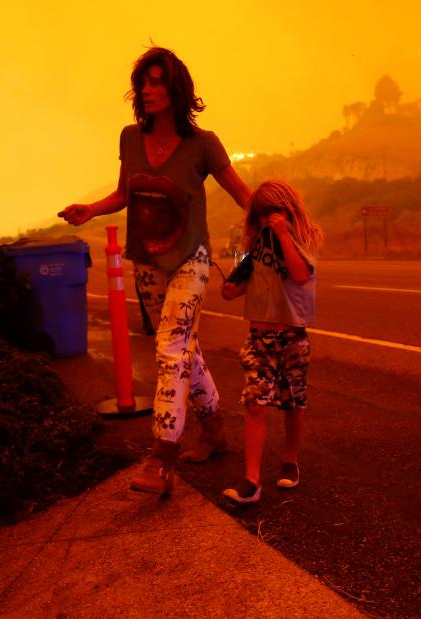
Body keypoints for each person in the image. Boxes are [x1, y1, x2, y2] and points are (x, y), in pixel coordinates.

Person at [58, 46, 250, 497]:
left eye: (157, 82)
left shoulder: (204, 144)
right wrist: (92, 209)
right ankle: (215, 431)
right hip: (146, 262)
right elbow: (125, 192)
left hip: (191, 259)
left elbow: (246, 198)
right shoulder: (129, 138)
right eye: (143, 82)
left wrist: (259, 245)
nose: (147, 90)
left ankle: (162, 456)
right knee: (184, 350)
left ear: (176, 89)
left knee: (170, 347)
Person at [219, 180, 323, 504]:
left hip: (292, 334)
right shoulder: (251, 246)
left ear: (289, 209)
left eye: (275, 211)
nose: (269, 219)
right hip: (259, 336)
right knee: (255, 402)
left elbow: (300, 275)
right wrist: (233, 289)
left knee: (293, 402)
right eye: (262, 214)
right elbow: (243, 280)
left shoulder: (304, 239)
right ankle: (251, 480)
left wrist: (282, 235)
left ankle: (290, 460)